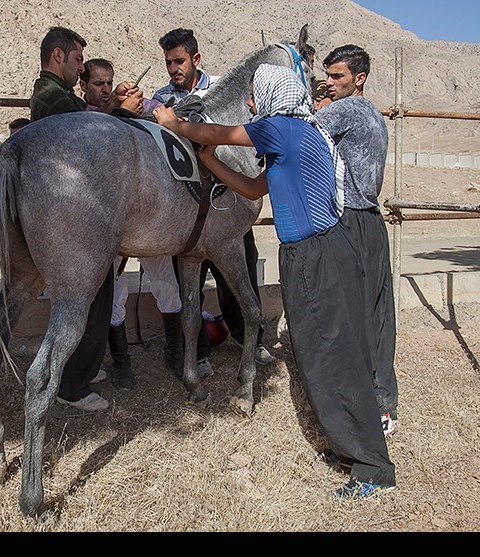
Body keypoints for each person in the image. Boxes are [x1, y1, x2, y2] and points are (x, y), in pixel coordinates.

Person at [154, 64, 396, 499]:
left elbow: (223, 133)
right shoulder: (301, 135)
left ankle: (372, 467)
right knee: (319, 351)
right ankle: (349, 447)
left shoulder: (283, 129)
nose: (250, 102)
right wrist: (208, 162)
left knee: (331, 354)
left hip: (314, 254)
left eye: (254, 95)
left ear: (272, 96)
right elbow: (251, 188)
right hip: (315, 251)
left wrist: (176, 124)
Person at [28, 26, 141, 412]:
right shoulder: (52, 97)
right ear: (58, 56)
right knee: (89, 302)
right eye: (77, 60)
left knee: (92, 299)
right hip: (77, 212)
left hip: (74, 208)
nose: (79, 71)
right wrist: (120, 113)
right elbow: (87, 131)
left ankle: (81, 370)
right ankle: (72, 384)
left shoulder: (56, 94)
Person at [78, 57, 209, 386]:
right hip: (110, 219)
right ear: (84, 86)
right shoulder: (79, 120)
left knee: (166, 281)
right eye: (99, 84)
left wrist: (141, 104)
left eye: (110, 83)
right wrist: (121, 111)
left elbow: (158, 112)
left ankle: (174, 352)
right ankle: (121, 361)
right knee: (115, 290)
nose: (106, 89)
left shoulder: (123, 103)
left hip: (150, 215)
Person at [154, 28, 275, 367]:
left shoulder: (224, 89)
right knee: (188, 284)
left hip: (231, 201)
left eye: (179, 61)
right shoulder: (162, 98)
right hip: (188, 213)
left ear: (196, 59)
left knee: (240, 274)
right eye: (168, 62)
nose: (173, 68)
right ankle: (201, 353)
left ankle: (250, 339)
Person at [315, 45, 399, 437]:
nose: (329, 84)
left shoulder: (346, 109)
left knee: (350, 316)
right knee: (377, 313)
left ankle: (362, 408)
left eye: (337, 77)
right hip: (371, 221)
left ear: (358, 78)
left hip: (349, 219)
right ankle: (383, 403)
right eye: (327, 76)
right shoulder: (374, 113)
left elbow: (298, 134)